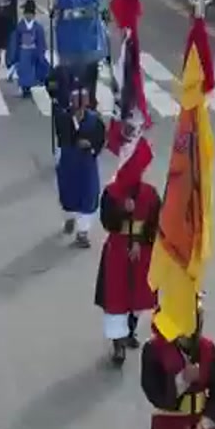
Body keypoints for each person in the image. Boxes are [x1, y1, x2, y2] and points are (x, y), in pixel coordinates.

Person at [96, 143, 158, 364]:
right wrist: (123, 211)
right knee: (116, 298)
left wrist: (141, 242)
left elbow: (154, 222)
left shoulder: (150, 194)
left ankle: (130, 330)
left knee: (138, 298)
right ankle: (118, 343)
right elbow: (106, 221)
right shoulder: (111, 194)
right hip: (117, 252)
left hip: (141, 253)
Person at [55, 88, 105, 247]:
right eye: (77, 109)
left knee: (88, 195)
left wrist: (91, 146)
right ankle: (69, 219)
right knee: (68, 195)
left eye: (82, 108)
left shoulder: (95, 121)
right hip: (69, 161)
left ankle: (82, 233)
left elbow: (101, 139)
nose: (80, 112)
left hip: (86, 163)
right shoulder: (63, 118)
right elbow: (61, 139)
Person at [50, 0, 109, 99]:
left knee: (68, 81)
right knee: (90, 80)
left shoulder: (63, 0)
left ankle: (68, 100)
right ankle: (91, 99)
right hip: (90, 53)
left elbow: (54, 13)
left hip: (68, 53)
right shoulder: (92, 0)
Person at [6, 0, 52, 98]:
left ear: (33, 15)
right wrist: (14, 54)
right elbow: (15, 41)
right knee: (23, 71)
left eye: (30, 14)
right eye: (27, 14)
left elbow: (41, 41)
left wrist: (41, 52)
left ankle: (29, 87)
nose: (28, 16)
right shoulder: (20, 27)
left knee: (33, 71)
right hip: (23, 51)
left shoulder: (38, 27)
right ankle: (24, 88)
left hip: (33, 51)